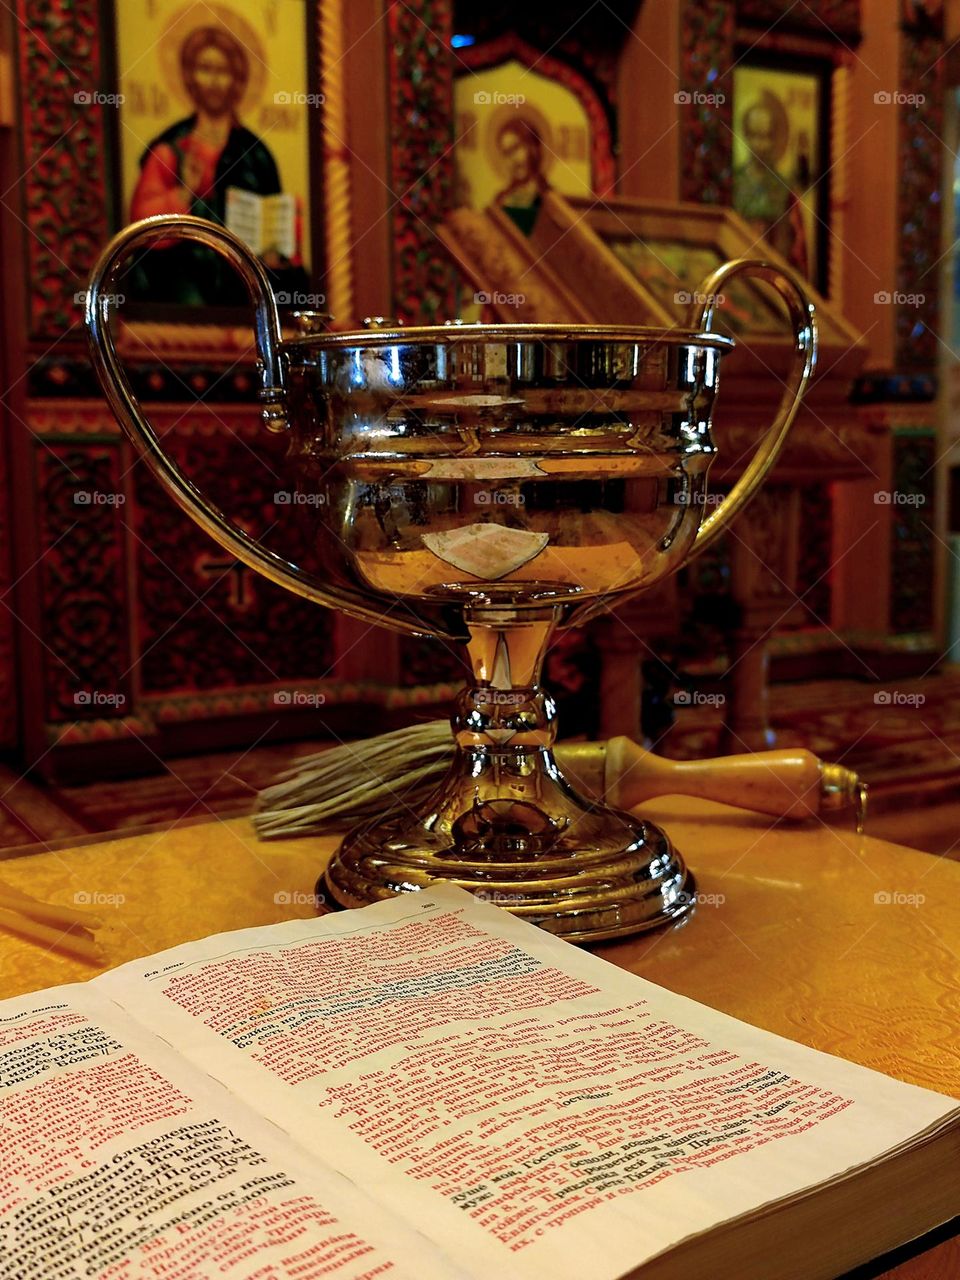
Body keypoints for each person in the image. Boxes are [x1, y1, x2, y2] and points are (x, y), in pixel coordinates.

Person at [129, 25, 305, 305]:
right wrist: (185, 192)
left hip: (244, 290)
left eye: (222, 71)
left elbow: (277, 231)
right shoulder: (170, 148)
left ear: (237, 80)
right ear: (189, 76)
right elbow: (140, 229)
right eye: (205, 68)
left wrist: (279, 250)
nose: (213, 80)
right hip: (178, 286)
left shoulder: (256, 155)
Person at [733, 95, 809, 277]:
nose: (759, 145)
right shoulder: (734, 181)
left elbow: (795, 247)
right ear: (745, 134)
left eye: (766, 137)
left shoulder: (784, 188)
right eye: (754, 135)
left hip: (772, 274)